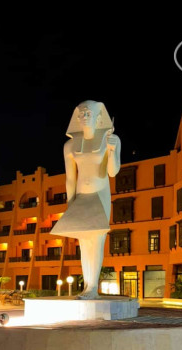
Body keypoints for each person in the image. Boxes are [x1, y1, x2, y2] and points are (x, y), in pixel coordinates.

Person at [50, 100, 121, 299]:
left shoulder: (110, 139)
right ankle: (87, 286)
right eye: (81, 113)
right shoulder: (69, 146)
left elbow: (113, 172)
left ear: (98, 118)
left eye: (88, 113)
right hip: (81, 195)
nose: (84, 116)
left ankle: (92, 288)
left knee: (96, 240)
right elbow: (70, 178)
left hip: (100, 194)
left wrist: (113, 151)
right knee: (83, 242)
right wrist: (70, 202)